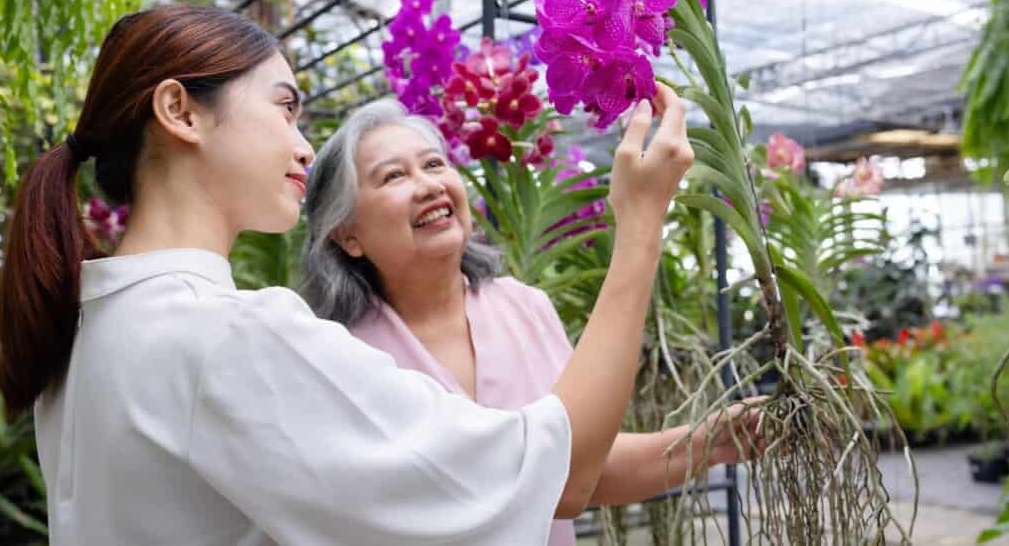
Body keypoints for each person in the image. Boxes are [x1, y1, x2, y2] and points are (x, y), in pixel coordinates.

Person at [0, 5, 702, 545]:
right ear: (180, 111)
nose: (303, 144)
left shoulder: (91, 331)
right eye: (284, 105)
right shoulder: (228, 337)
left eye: (434, 162)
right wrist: (640, 225)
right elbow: (558, 472)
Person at [301, 99, 760, 545]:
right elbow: (562, 482)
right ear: (348, 235)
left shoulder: (524, 308)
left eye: (435, 164)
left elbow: (580, 466)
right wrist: (640, 221)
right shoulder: (342, 360)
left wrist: (710, 441)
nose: (428, 186)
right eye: (394, 176)